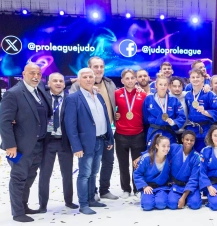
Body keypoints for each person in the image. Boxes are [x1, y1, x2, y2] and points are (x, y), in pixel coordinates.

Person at [0, 63, 52, 222]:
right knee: (18, 177)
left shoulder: (40, 89)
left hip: (38, 144)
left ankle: (23, 205)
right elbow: (4, 122)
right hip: (19, 147)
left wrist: (74, 80)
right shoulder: (13, 94)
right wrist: (10, 145)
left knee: (29, 176)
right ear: (23, 74)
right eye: (32, 73)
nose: (36, 76)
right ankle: (18, 212)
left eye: (39, 74)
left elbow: (53, 87)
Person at [64, 68, 114, 215]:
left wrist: (109, 138)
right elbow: (70, 125)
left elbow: (105, 118)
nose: (88, 79)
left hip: (100, 140)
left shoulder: (98, 96)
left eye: (90, 77)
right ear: (79, 80)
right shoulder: (73, 98)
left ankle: (92, 199)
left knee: (93, 173)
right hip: (85, 144)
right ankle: (83, 203)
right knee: (84, 174)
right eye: (85, 77)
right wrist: (76, 146)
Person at [38, 72, 78, 213]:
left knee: (67, 174)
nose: (58, 83)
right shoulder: (42, 96)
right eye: (55, 81)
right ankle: (42, 205)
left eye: (61, 81)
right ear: (48, 83)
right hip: (47, 142)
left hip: (64, 142)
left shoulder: (70, 99)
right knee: (45, 174)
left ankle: (69, 201)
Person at [114, 69, 147, 199]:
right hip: (121, 134)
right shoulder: (116, 93)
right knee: (123, 164)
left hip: (138, 134)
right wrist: (115, 115)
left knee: (137, 165)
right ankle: (126, 189)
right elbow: (111, 109)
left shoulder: (142, 94)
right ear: (122, 81)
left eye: (132, 78)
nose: (130, 81)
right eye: (127, 78)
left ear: (136, 79)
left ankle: (137, 188)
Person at [143, 75, 186, 146]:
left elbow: (182, 117)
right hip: (154, 132)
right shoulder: (149, 99)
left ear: (168, 86)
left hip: (168, 132)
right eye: (160, 84)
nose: (163, 87)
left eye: (165, 85)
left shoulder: (174, 100)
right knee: (153, 155)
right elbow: (145, 118)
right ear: (156, 85)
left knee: (169, 154)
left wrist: (173, 122)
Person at [185, 69, 217, 152]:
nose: (195, 79)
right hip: (191, 129)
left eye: (198, 77)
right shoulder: (187, 95)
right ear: (190, 80)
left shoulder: (209, 94)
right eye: (193, 77)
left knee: (203, 154)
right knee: (190, 155)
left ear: (203, 79)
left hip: (204, 129)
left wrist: (204, 112)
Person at [134, 135, 171, 211]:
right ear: (157, 146)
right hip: (148, 187)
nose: (166, 149)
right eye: (163, 146)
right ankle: (144, 196)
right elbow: (137, 174)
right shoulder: (146, 158)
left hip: (162, 187)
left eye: (168, 146)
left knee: (161, 205)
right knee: (147, 206)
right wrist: (144, 186)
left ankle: (161, 196)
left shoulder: (170, 158)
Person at [167, 131, 202, 209]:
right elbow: (159, 149)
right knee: (172, 204)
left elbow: (194, 178)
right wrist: (142, 156)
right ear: (182, 139)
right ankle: (181, 198)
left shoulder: (197, 157)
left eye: (192, 140)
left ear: (194, 141)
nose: (189, 142)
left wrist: (183, 197)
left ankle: (186, 198)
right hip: (176, 184)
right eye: (187, 139)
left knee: (195, 205)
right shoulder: (174, 148)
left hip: (190, 186)